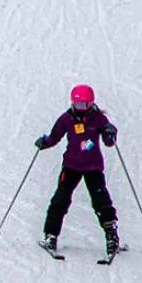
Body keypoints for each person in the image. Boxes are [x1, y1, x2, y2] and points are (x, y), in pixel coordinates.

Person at [34, 84, 121, 256]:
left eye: (84, 105)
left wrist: (111, 133)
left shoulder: (98, 119)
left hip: (93, 166)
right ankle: (51, 235)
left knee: (101, 200)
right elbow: (55, 136)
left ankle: (111, 235)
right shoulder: (66, 119)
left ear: (91, 103)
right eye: (77, 105)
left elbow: (108, 142)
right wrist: (45, 142)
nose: (80, 109)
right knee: (60, 199)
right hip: (71, 166)